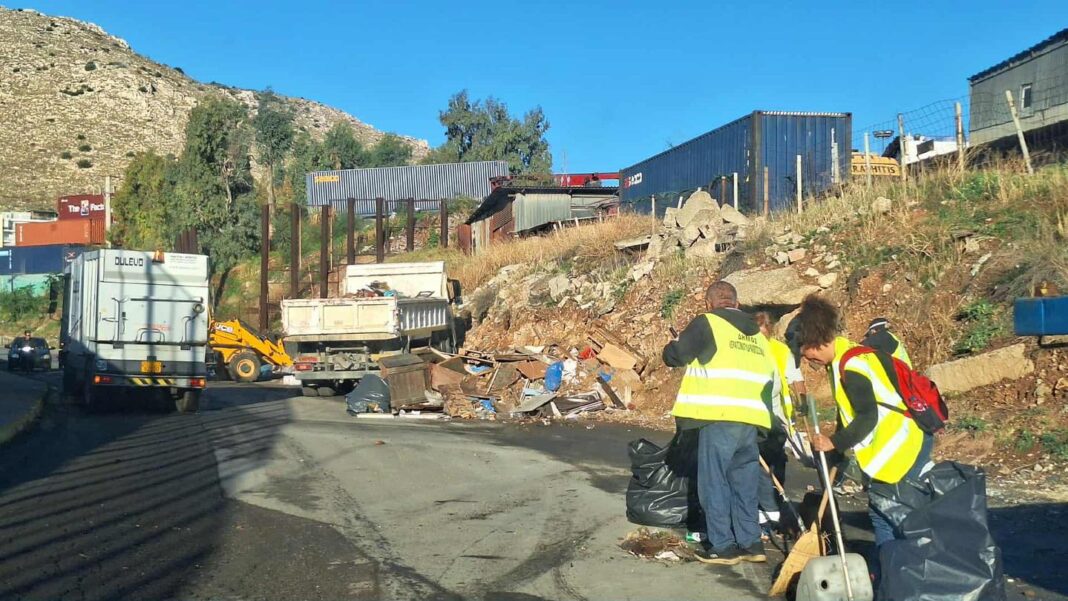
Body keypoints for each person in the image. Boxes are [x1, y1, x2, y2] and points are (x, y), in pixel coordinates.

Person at [793, 295, 932, 550]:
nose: (808, 360)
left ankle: (898, 568)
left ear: (815, 342)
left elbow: (868, 415)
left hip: (902, 444)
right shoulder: (844, 359)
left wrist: (834, 442)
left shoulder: (852, 365)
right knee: (890, 512)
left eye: (806, 353)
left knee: (888, 514)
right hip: (900, 443)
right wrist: (836, 453)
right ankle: (900, 565)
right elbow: (848, 414)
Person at [662, 281, 777, 565]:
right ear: (736, 303)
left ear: (708, 303)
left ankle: (722, 546)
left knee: (714, 482)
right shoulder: (758, 336)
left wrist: (670, 348)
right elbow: (769, 378)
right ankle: (751, 543)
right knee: (744, 483)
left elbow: (677, 355)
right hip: (750, 420)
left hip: (719, 417)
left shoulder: (708, 323)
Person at [753, 312, 805, 532]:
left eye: (763, 333)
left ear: (770, 331)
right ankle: (764, 515)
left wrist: (804, 406)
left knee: (777, 463)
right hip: (754, 417)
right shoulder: (747, 350)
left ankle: (775, 507)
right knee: (757, 466)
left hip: (777, 418)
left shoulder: (781, 351)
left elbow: (796, 380)